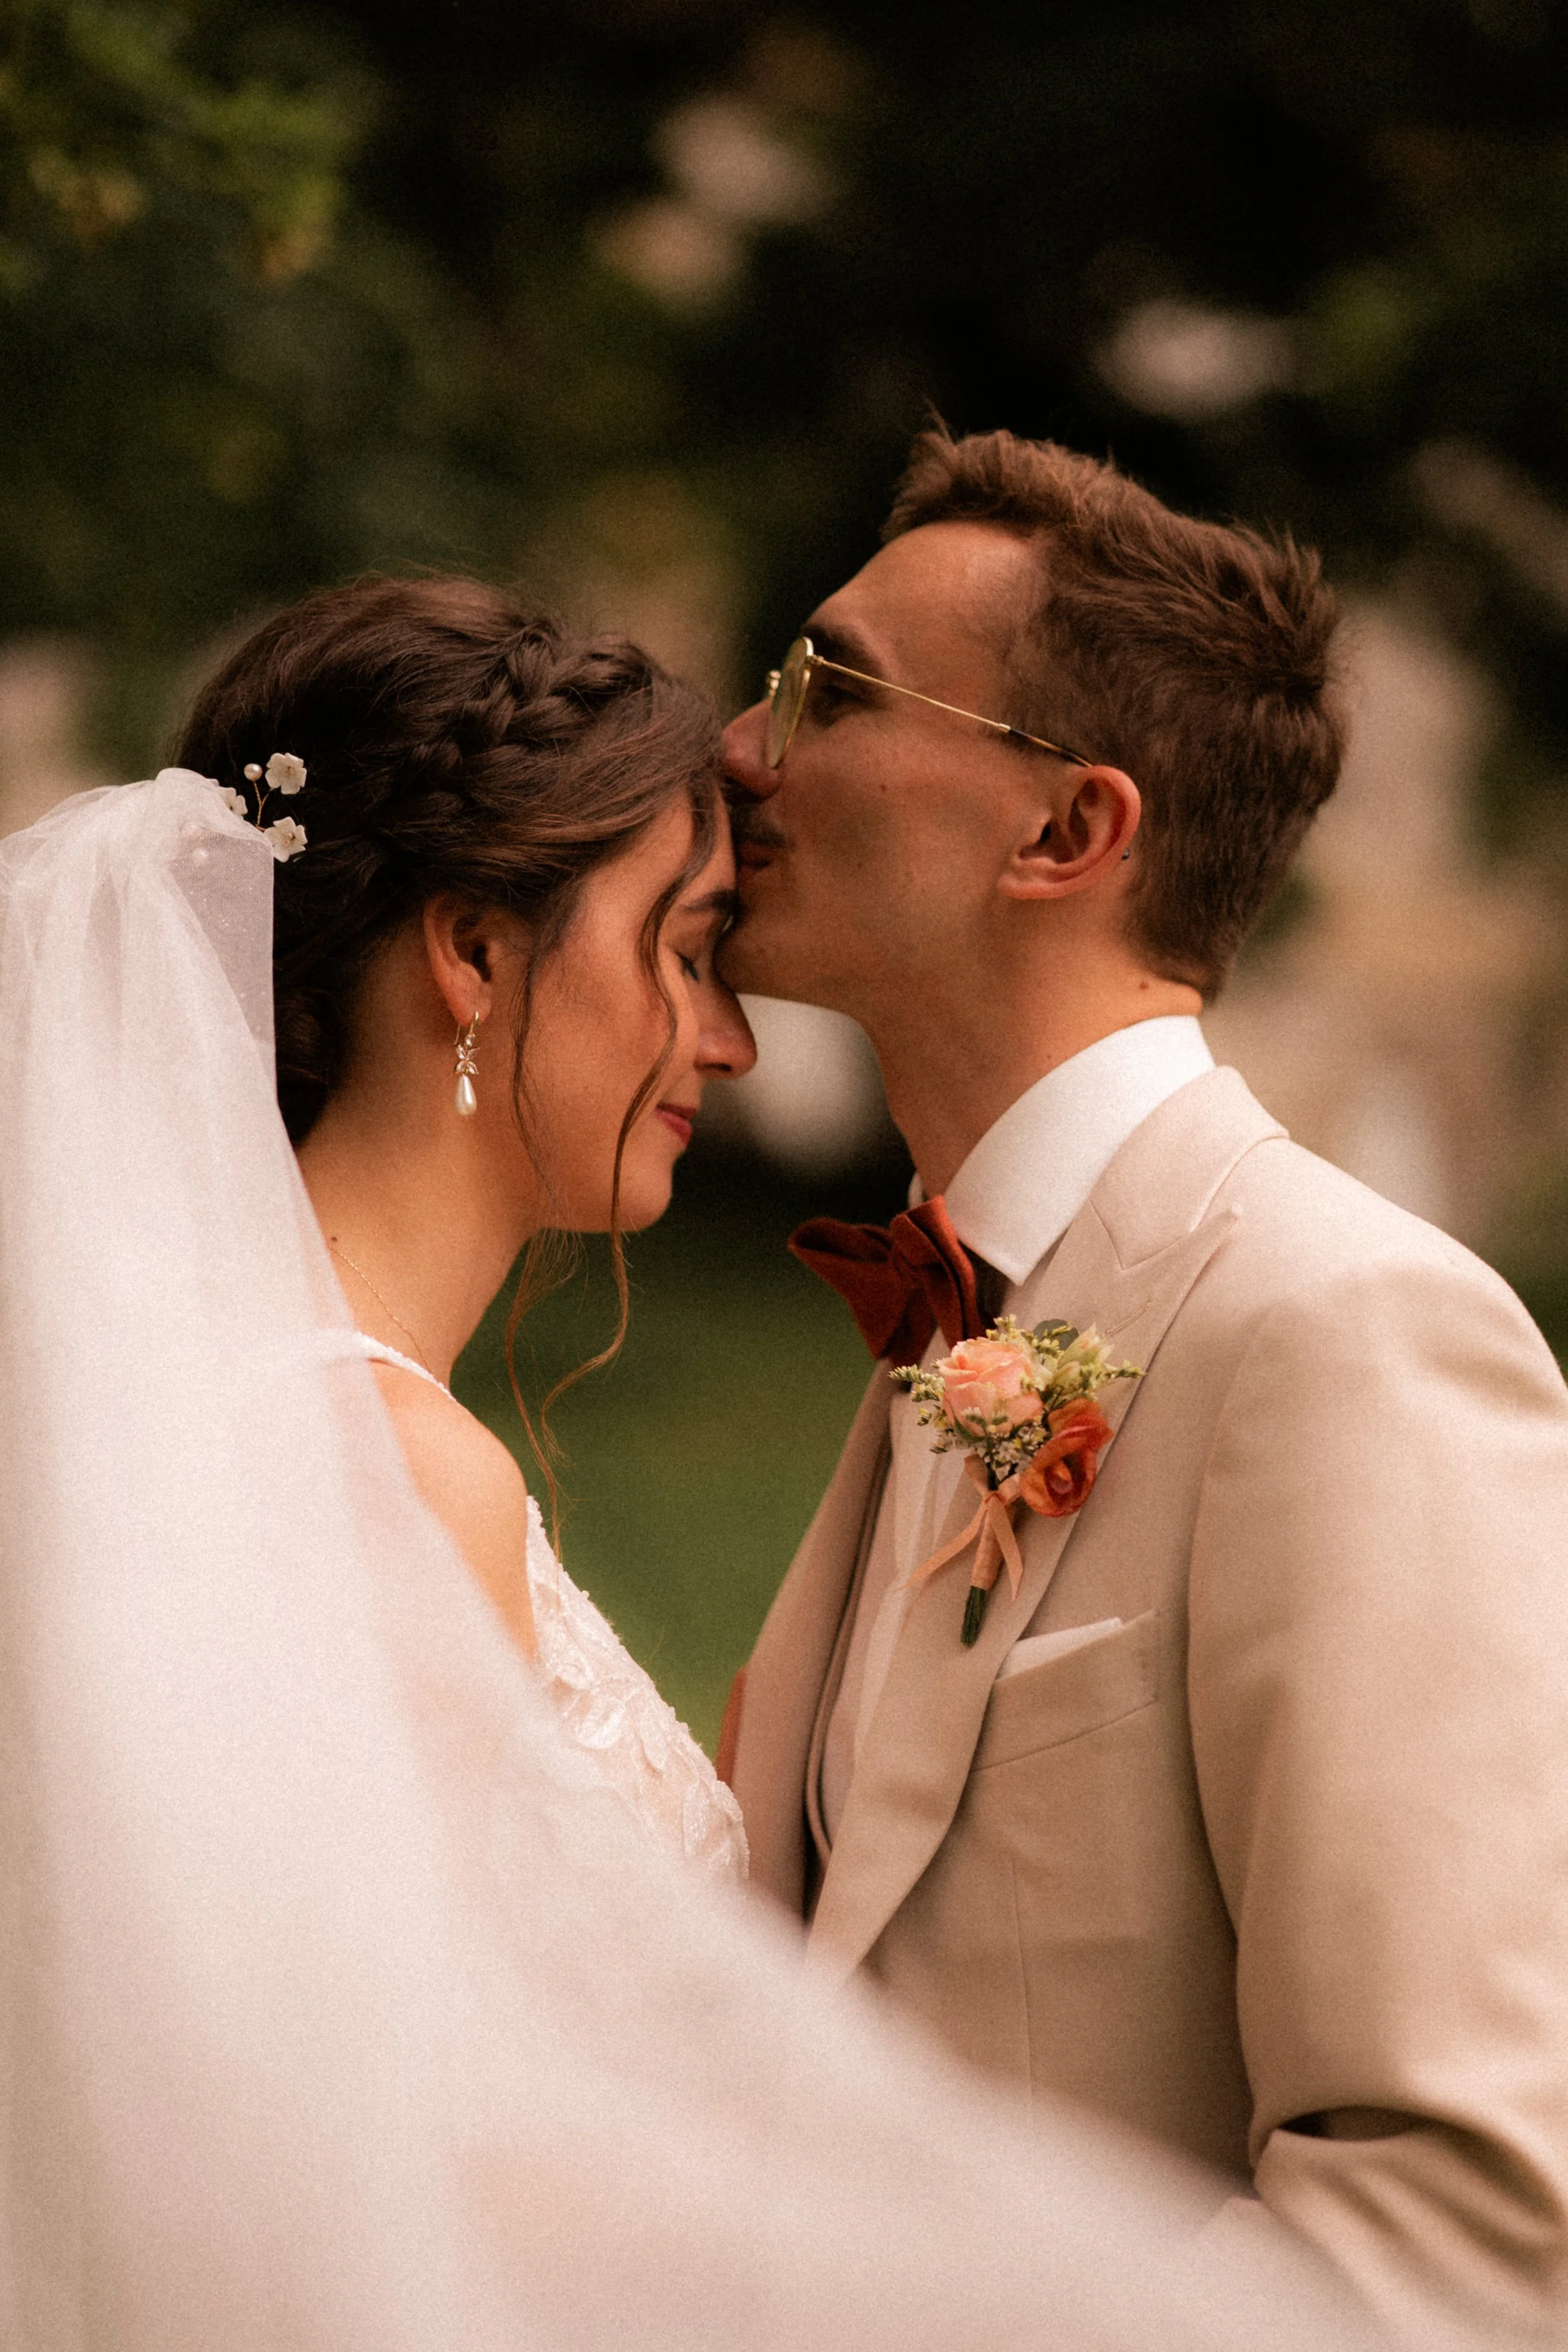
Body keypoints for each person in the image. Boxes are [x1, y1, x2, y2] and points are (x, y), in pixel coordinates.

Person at [0, 577, 1385, 2352]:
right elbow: (430, 2174)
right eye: (680, 948)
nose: (726, 1040)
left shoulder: (230, 1413)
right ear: (473, 950)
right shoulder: (387, 1469)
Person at [718, 426, 1568, 2348]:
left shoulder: (1341, 1330)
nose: (743, 747)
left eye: (830, 686)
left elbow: (1453, 2226)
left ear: (1063, 832)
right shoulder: (957, 1324)